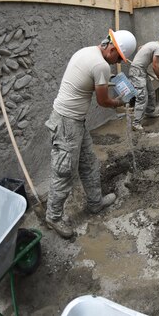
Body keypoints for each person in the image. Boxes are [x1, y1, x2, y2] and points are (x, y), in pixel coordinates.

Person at [45, 28, 137, 239]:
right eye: (118, 58)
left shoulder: (87, 52)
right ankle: (53, 216)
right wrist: (120, 102)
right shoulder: (99, 65)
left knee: (88, 163)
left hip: (75, 121)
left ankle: (95, 203)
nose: (116, 62)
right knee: (64, 171)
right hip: (67, 123)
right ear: (112, 48)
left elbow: (94, 79)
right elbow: (103, 101)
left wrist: (113, 79)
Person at [129, 29, 159, 132]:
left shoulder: (152, 44)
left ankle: (149, 112)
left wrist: (140, 61)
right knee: (142, 97)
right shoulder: (158, 47)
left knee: (151, 93)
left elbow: (140, 48)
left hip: (141, 70)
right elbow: (155, 66)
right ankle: (136, 123)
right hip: (137, 72)